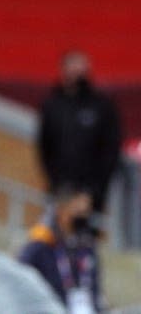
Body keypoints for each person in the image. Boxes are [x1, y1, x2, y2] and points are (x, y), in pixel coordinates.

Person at [38, 50, 121, 218]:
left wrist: (92, 192)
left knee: (84, 239)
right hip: (60, 189)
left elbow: (110, 150)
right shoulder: (52, 105)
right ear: (63, 68)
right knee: (54, 236)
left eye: (80, 65)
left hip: (91, 195)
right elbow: (44, 146)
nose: (76, 70)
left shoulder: (101, 106)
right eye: (72, 65)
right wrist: (55, 183)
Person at [19, 188, 105, 313]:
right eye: (78, 210)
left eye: (86, 211)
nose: (83, 216)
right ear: (62, 210)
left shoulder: (87, 247)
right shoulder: (42, 243)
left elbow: (94, 287)